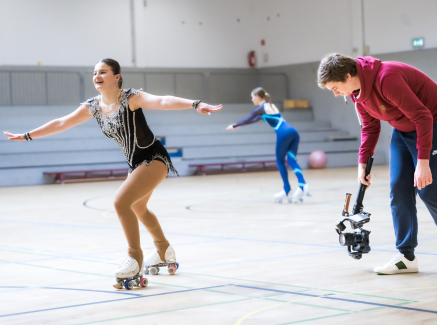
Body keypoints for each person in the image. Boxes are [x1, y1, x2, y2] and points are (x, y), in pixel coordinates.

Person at [4, 58, 222, 285]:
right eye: (95, 72)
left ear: (116, 77)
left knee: (120, 202)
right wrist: (28, 135)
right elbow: (61, 123)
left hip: (153, 158)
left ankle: (134, 258)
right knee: (137, 206)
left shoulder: (131, 98)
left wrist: (195, 104)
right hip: (135, 163)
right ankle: (164, 250)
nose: (97, 76)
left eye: (103, 72)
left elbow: (162, 100)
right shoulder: (93, 106)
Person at [318, 53, 437, 275]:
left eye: (335, 87)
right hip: (403, 130)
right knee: (399, 191)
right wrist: (362, 163)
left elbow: (423, 116)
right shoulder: (356, 93)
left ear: (347, 76)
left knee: (429, 191)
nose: (335, 94)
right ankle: (406, 257)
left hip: (432, 123)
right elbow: (370, 127)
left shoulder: (386, 78)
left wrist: (423, 162)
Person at [226, 87, 310, 203]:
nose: (251, 100)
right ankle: (303, 185)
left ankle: (287, 189)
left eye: (252, 97)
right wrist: (239, 125)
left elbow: (248, 118)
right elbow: (254, 120)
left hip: (283, 133)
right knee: (291, 160)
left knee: (280, 161)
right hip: (293, 132)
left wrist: (235, 125)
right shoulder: (271, 105)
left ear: (257, 97)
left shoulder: (260, 108)